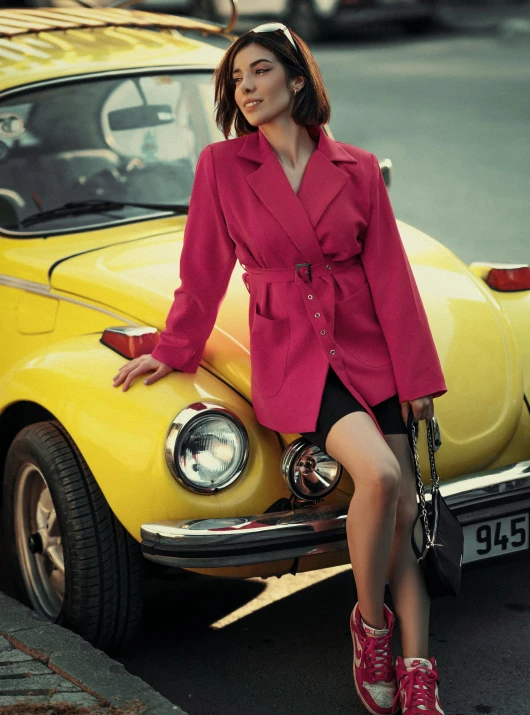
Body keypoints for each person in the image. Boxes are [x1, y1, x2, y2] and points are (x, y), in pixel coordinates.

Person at [112, 22, 447, 715]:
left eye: (260, 71)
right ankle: (371, 629)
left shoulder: (356, 166)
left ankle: (419, 672)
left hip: (371, 353)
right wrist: (170, 351)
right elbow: (201, 277)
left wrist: (417, 381)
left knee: (404, 511)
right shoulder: (222, 168)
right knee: (381, 476)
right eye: (237, 79)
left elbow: (392, 278)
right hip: (295, 356)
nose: (247, 88)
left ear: (298, 80)